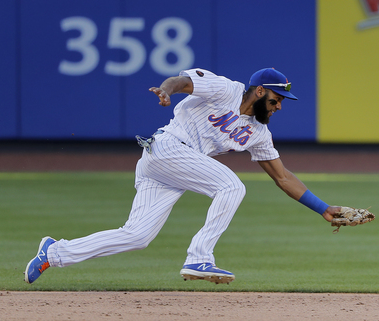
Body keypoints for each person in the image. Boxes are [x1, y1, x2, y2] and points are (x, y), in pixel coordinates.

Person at [24, 67, 340, 285]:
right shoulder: (225, 89)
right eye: (276, 99)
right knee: (231, 185)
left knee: (137, 236)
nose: (279, 107)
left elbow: (283, 177)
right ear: (259, 91)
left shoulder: (259, 133)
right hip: (167, 148)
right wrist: (165, 90)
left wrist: (323, 208)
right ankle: (199, 257)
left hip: (174, 167)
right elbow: (183, 81)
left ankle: (54, 252)